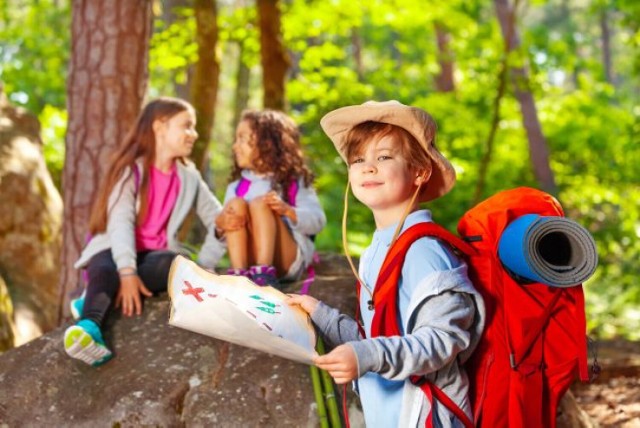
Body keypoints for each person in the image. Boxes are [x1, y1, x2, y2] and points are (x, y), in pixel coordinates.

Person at [288, 101, 485, 427]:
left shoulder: (424, 251)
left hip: (426, 416)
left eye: (384, 157)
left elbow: (441, 342)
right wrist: (319, 313)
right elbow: (378, 336)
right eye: (358, 159)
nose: (368, 167)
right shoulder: (377, 249)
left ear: (420, 172)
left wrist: (365, 356)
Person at [64, 97, 226, 366]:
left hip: (154, 259)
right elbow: (120, 223)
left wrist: (207, 263)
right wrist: (126, 273)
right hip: (116, 250)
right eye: (186, 126)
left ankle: (95, 295)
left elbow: (219, 220)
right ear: (160, 127)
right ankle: (89, 327)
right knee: (106, 266)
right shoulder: (131, 171)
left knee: (173, 264)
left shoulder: (189, 176)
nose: (194, 134)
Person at [215, 109, 326, 287]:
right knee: (234, 205)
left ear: (267, 144)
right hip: (248, 260)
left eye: (242, 138)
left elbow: (318, 222)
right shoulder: (236, 187)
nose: (235, 146)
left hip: (286, 260)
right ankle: (238, 274)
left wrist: (288, 211)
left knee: (261, 203)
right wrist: (220, 226)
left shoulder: (294, 182)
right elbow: (223, 238)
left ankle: (264, 274)